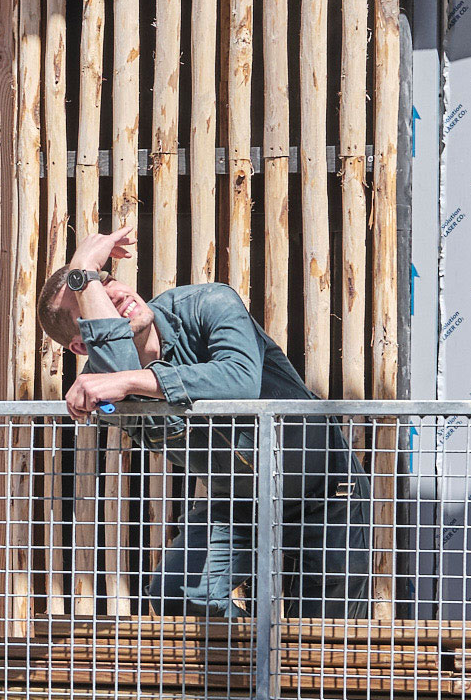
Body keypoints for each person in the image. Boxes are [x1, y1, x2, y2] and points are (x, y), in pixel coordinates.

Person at [41, 225, 364, 616]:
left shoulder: (207, 303)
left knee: (321, 645)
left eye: (106, 279)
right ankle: (256, 664)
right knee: (175, 594)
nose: (115, 293)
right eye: (92, 299)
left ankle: (277, 663)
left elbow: (239, 380)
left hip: (327, 494)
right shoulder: (104, 390)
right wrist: (111, 385)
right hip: (240, 505)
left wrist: (127, 377)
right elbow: (126, 414)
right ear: (83, 342)